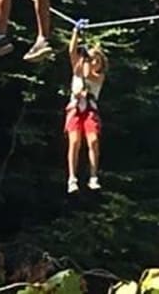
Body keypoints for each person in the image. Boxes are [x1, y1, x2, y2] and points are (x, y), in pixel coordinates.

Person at [64, 20, 107, 194]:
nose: (94, 63)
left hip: (89, 109)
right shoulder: (78, 68)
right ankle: (72, 178)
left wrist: (86, 60)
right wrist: (76, 32)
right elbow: (71, 50)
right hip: (75, 107)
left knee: (93, 141)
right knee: (74, 142)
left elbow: (89, 74)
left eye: (97, 60)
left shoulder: (99, 76)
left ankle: (93, 176)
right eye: (93, 60)